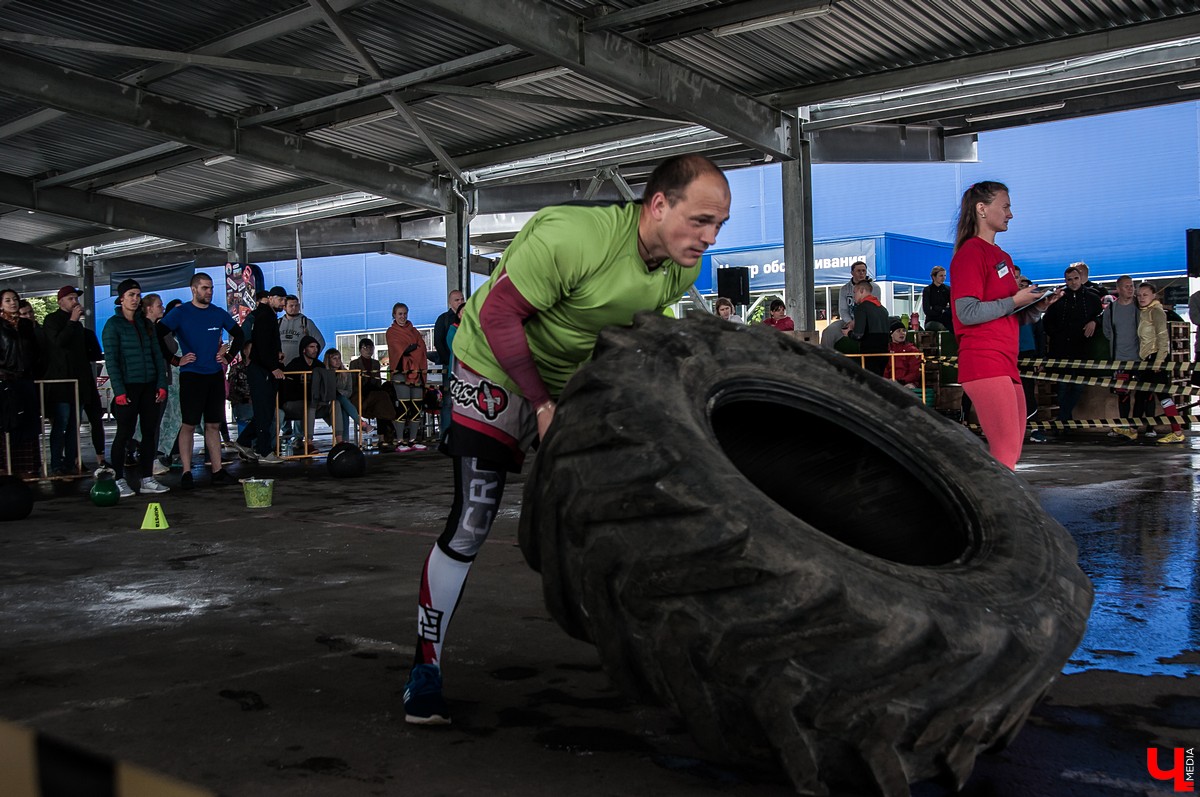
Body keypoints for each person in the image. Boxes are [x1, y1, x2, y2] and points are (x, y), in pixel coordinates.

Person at [402, 153, 730, 726]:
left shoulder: (680, 268)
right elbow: (501, 315)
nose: (709, 237)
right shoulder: (572, 238)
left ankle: (661, 663)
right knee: (474, 520)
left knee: (631, 512)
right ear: (658, 205)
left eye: (719, 225)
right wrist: (542, 404)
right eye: (700, 220)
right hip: (494, 369)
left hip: (567, 381)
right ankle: (424, 670)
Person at [949, 181, 1059, 471]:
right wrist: (1014, 300)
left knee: (1010, 448)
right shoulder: (971, 253)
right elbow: (968, 312)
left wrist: (1035, 308)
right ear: (982, 209)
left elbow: (1007, 313)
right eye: (1006, 206)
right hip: (984, 361)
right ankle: (991, 511)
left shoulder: (1003, 258)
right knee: (1006, 451)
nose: (1011, 214)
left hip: (1004, 361)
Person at [161, 273, 244, 489]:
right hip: (192, 375)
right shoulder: (181, 313)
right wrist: (175, 359)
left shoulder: (217, 313)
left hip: (214, 374)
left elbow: (240, 334)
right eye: (204, 288)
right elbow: (157, 332)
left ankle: (217, 470)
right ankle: (187, 472)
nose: (209, 292)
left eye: (210, 288)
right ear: (194, 289)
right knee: (188, 423)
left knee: (213, 424)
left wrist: (227, 355)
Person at [101, 279, 169, 497]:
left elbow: (157, 356)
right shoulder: (113, 325)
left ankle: (147, 477)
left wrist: (161, 383)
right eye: (131, 295)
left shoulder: (145, 324)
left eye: (138, 295)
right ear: (121, 298)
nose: (135, 299)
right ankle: (119, 479)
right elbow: (111, 360)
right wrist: (119, 390)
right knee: (124, 433)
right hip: (128, 386)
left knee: (149, 432)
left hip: (149, 385)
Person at [1042, 266, 1103, 424]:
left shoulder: (1092, 297)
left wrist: (1094, 322)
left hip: (1082, 349)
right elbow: (1047, 322)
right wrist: (1058, 335)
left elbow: (1101, 316)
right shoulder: (1058, 298)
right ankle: (1065, 421)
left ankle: (1062, 420)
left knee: (1078, 387)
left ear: (1081, 277)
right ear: (1065, 281)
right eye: (1070, 279)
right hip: (1061, 350)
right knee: (1062, 387)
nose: (1073, 282)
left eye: (1076, 278)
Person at [41, 285, 92, 475]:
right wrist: (71, 321)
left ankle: (71, 461)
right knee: (60, 423)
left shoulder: (78, 326)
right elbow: (58, 343)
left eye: (75, 298)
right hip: (60, 381)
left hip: (77, 382)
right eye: (70, 298)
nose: (75, 302)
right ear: (60, 301)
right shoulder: (51, 320)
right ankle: (56, 463)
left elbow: (81, 354)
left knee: (74, 425)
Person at [1129, 282, 1185, 444]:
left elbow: (1163, 338)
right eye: (1139, 295)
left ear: (1154, 295)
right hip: (1146, 359)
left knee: (1163, 396)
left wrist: (1159, 361)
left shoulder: (1157, 312)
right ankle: (1133, 429)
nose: (1141, 298)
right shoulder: (1144, 312)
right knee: (1141, 395)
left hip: (1155, 359)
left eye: (1145, 295)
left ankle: (1177, 431)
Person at [236, 286, 287, 463]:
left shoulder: (263, 316)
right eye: (280, 300)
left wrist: (276, 354)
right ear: (270, 298)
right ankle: (264, 451)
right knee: (264, 412)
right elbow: (262, 345)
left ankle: (244, 442)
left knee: (264, 413)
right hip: (262, 370)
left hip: (261, 368)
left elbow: (264, 344)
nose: (283, 303)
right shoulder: (265, 316)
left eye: (283, 300)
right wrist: (273, 366)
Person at [0, 288, 41, 477]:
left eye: (15, 299)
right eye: (8, 300)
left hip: (26, 378)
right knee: (10, 421)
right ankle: (7, 466)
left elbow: (33, 350)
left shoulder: (26, 324)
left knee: (30, 421)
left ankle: (29, 466)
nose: (12, 303)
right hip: (6, 379)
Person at [386, 302, 428, 452]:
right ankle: (400, 441)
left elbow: (422, 347)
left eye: (405, 314)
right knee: (403, 407)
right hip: (400, 373)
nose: (403, 317)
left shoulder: (414, 330)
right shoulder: (391, 332)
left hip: (416, 373)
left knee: (416, 406)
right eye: (400, 314)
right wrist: (413, 349)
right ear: (394, 315)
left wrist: (412, 349)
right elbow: (400, 350)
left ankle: (413, 439)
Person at [1102, 276, 1140, 440]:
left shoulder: (1140, 306)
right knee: (1122, 394)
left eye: (1132, 286)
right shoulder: (1111, 309)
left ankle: (1141, 426)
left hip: (1139, 358)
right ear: (1118, 288)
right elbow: (1107, 331)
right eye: (1126, 286)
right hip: (1120, 358)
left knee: (1143, 394)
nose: (1130, 289)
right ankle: (1124, 425)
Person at [280, 335, 331, 454]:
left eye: (316, 347)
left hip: (314, 402)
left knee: (336, 405)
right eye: (311, 347)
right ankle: (308, 442)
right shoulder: (294, 365)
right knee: (309, 406)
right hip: (293, 404)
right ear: (304, 349)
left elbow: (325, 388)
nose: (315, 350)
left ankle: (341, 440)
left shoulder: (319, 366)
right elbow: (287, 389)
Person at [350, 338, 398, 450]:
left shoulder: (376, 363)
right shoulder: (354, 363)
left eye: (370, 347)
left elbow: (377, 382)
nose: (368, 350)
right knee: (382, 399)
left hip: (374, 394)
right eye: (365, 347)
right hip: (361, 395)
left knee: (381, 402)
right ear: (360, 349)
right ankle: (388, 431)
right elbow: (354, 383)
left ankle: (382, 437)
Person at [1016, 277, 1048, 443]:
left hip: (1028, 353)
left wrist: (1040, 357)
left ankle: (1035, 428)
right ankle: (1014, 430)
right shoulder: (1008, 306)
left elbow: (1040, 334)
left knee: (1028, 391)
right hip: (1010, 353)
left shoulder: (1032, 309)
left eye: (1024, 285)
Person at [432, 290, 466, 441]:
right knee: (448, 402)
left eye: (462, 299)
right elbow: (439, 342)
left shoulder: (470, 320)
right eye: (456, 300)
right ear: (450, 303)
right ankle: (445, 434)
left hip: (464, 368)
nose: (460, 302)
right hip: (450, 366)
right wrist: (448, 360)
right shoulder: (444, 320)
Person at [323, 348, 371, 444]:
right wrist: (336, 393)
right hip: (327, 402)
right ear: (328, 360)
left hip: (341, 401)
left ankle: (344, 442)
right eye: (334, 358)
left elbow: (349, 391)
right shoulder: (324, 373)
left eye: (339, 358)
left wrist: (338, 392)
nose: (338, 361)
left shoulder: (346, 373)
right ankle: (361, 423)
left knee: (342, 405)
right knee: (339, 400)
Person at [849, 281, 890, 375]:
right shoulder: (883, 309)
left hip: (869, 354)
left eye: (855, 292)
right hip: (884, 354)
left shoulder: (861, 308)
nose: (853, 296)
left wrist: (848, 332)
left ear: (862, 290)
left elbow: (858, 335)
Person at [278, 295, 325, 365]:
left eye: (296, 305)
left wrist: (311, 359)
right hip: (281, 367)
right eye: (291, 306)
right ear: (284, 307)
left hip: (300, 367)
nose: (294, 308)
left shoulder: (306, 323)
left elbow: (321, 342)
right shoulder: (278, 323)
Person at [837, 260, 881, 328]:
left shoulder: (875, 288)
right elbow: (843, 310)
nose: (861, 273)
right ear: (852, 273)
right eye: (858, 271)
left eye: (864, 271)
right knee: (831, 330)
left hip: (869, 322)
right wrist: (850, 322)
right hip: (849, 321)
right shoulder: (844, 289)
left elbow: (875, 308)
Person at [883, 320, 921, 387]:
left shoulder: (912, 350)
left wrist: (901, 381)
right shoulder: (886, 350)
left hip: (907, 383)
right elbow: (884, 369)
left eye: (904, 331)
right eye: (898, 331)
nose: (902, 333)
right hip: (889, 383)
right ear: (891, 334)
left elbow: (914, 372)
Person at [922, 266, 952, 331]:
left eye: (945, 276)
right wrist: (942, 311)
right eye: (941, 276)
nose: (943, 278)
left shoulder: (947, 290)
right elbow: (927, 310)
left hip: (945, 319)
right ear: (934, 277)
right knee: (942, 328)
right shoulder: (928, 290)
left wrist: (936, 308)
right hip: (931, 320)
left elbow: (951, 307)